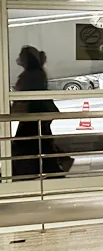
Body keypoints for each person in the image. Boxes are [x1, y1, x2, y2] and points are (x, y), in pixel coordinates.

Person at [11, 46, 72, 179]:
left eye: (21, 55)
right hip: (39, 114)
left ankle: (16, 173)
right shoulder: (37, 73)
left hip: (34, 114)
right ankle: (56, 167)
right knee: (41, 143)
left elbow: (24, 94)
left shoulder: (31, 75)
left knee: (25, 143)